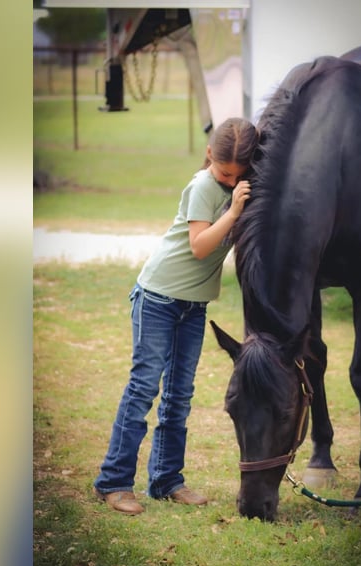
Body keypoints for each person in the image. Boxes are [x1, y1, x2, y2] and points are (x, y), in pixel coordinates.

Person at [93, 117, 259, 515]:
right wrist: (234, 210)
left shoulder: (237, 187)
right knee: (143, 388)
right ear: (208, 156)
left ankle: (167, 480)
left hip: (192, 305)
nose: (228, 179)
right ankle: (113, 482)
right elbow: (200, 246)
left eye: (237, 175)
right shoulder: (203, 186)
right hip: (159, 298)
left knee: (179, 395)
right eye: (223, 172)